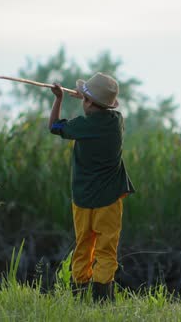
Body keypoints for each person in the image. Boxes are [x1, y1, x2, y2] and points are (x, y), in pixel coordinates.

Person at [48, 73, 135, 302]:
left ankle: (79, 297)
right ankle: (102, 299)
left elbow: (55, 126)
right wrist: (87, 99)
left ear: (87, 102)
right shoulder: (117, 121)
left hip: (82, 200)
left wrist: (59, 99)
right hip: (109, 200)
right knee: (106, 250)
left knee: (83, 247)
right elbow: (98, 110)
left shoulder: (81, 126)